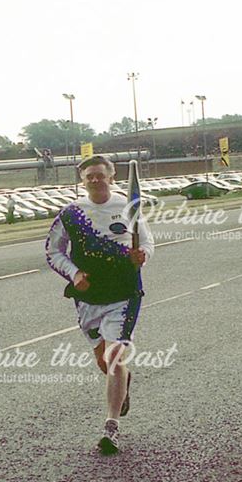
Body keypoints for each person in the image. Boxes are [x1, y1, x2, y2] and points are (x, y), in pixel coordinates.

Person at [45, 155, 154, 455]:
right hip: (89, 296)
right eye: (89, 176)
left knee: (115, 357)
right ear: (82, 180)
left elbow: (146, 242)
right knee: (104, 363)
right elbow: (53, 252)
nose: (95, 180)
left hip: (124, 292)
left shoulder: (126, 207)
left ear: (111, 175)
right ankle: (124, 382)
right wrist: (74, 273)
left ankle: (111, 426)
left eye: (100, 175)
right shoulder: (71, 213)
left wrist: (141, 255)